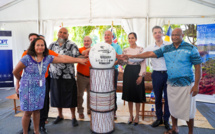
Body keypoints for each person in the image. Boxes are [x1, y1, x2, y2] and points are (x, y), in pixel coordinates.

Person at [122, 28, 202, 134]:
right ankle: (174, 128)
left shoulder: (191, 48)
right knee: (172, 106)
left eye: (177, 35)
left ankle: (190, 132)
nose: (174, 37)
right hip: (171, 82)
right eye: (173, 35)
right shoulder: (167, 48)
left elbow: (198, 66)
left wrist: (196, 84)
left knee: (188, 110)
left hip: (186, 83)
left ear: (182, 35)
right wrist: (132, 56)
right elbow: (149, 54)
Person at [13, 38, 87, 134]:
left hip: (40, 88)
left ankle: (36, 131)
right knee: (27, 113)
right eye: (38, 45)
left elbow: (63, 58)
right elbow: (15, 72)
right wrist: (22, 81)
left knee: (37, 111)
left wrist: (78, 60)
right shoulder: (27, 58)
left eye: (42, 45)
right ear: (33, 46)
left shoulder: (47, 58)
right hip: (27, 89)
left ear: (45, 47)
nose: (40, 47)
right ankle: (25, 132)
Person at [49, 27, 80, 127]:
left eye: (64, 33)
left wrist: (64, 59)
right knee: (57, 96)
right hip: (55, 76)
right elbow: (48, 58)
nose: (62, 34)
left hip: (68, 76)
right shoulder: (51, 45)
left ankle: (73, 117)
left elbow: (76, 59)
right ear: (57, 33)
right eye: (60, 32)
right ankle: (60, 115)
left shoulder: (72, 45)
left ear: (68, 35)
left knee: (71, 97)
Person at [144, 26, 171, 130]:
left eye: (159, 32)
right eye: (155, 33)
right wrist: (128, 57)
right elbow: (141, 56)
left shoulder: (169, 45)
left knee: (168, 99)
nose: (157, 34)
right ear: (153, 35)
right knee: (157, 98)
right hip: (156, 74)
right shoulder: (150, 47)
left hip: (169, 74)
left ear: (162, 33)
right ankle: (159, 118)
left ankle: (166, 120)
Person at [119, 32, 146, 126]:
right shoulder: (125, 50)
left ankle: (137, 116)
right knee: (129, 95)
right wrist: (121, 61)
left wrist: (140, 75)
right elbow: (123, 64)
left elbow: (143, 62)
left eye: (132, 38)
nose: (131, 40)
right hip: (128, 72)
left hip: (137, 70)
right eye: (129, 38)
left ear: (136, 39)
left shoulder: (141, 49)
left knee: (137, 95)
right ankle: (130, 116)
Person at [104, 30, 122, 120]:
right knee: (104, 91)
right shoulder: (101, 46)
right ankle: (105, 110)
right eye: (105, 35)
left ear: (112, 36)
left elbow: (120, 58)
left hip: (113, 70)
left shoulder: (117, 46)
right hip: (103, 72)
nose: (106, 36)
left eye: (108, 35)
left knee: (112, 91)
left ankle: (113, 111)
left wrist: (111, 64)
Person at [77, 36, 92, 119]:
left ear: (91, 42)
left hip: (92, 76)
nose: (86, 42)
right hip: (81, 76)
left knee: (91, 95)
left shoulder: (94, 50)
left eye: (88, 41)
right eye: (85, 41)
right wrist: (89, 50)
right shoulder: (80, 49)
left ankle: (90, 109)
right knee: (79, 95)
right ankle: (80, 111)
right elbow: (81, 54)